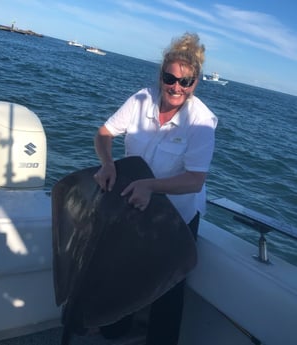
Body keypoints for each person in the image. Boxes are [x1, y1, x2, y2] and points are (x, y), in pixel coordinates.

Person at [93, 32, 218, 345]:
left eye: (185, 82)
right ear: (161, 74)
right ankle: (114, 330)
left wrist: (150, 185)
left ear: (196, 82)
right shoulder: (140, 100)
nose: (176, 87)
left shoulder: (201, 122)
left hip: (178, 214)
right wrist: (107, 163)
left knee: (168, 289)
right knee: (121, 267)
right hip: (135, 203)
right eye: (170, 78)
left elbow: (195, 179)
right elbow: (104, 133)